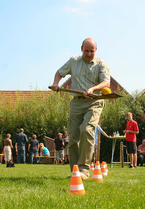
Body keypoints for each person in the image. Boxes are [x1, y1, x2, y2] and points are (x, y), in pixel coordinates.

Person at [50, 37, 110, 180]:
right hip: (77, 102)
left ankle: (84, 170)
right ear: (81, 48)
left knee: (87, 129)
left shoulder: (101, 63)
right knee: (73, 137)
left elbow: (106, 82)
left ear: (96, 50)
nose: (89, 54)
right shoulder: (73, 61)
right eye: (86, 51)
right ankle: (75, 171)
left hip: (94, 101)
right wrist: (55, 83)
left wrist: (93, 89)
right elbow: (59, 72)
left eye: (92, 51)